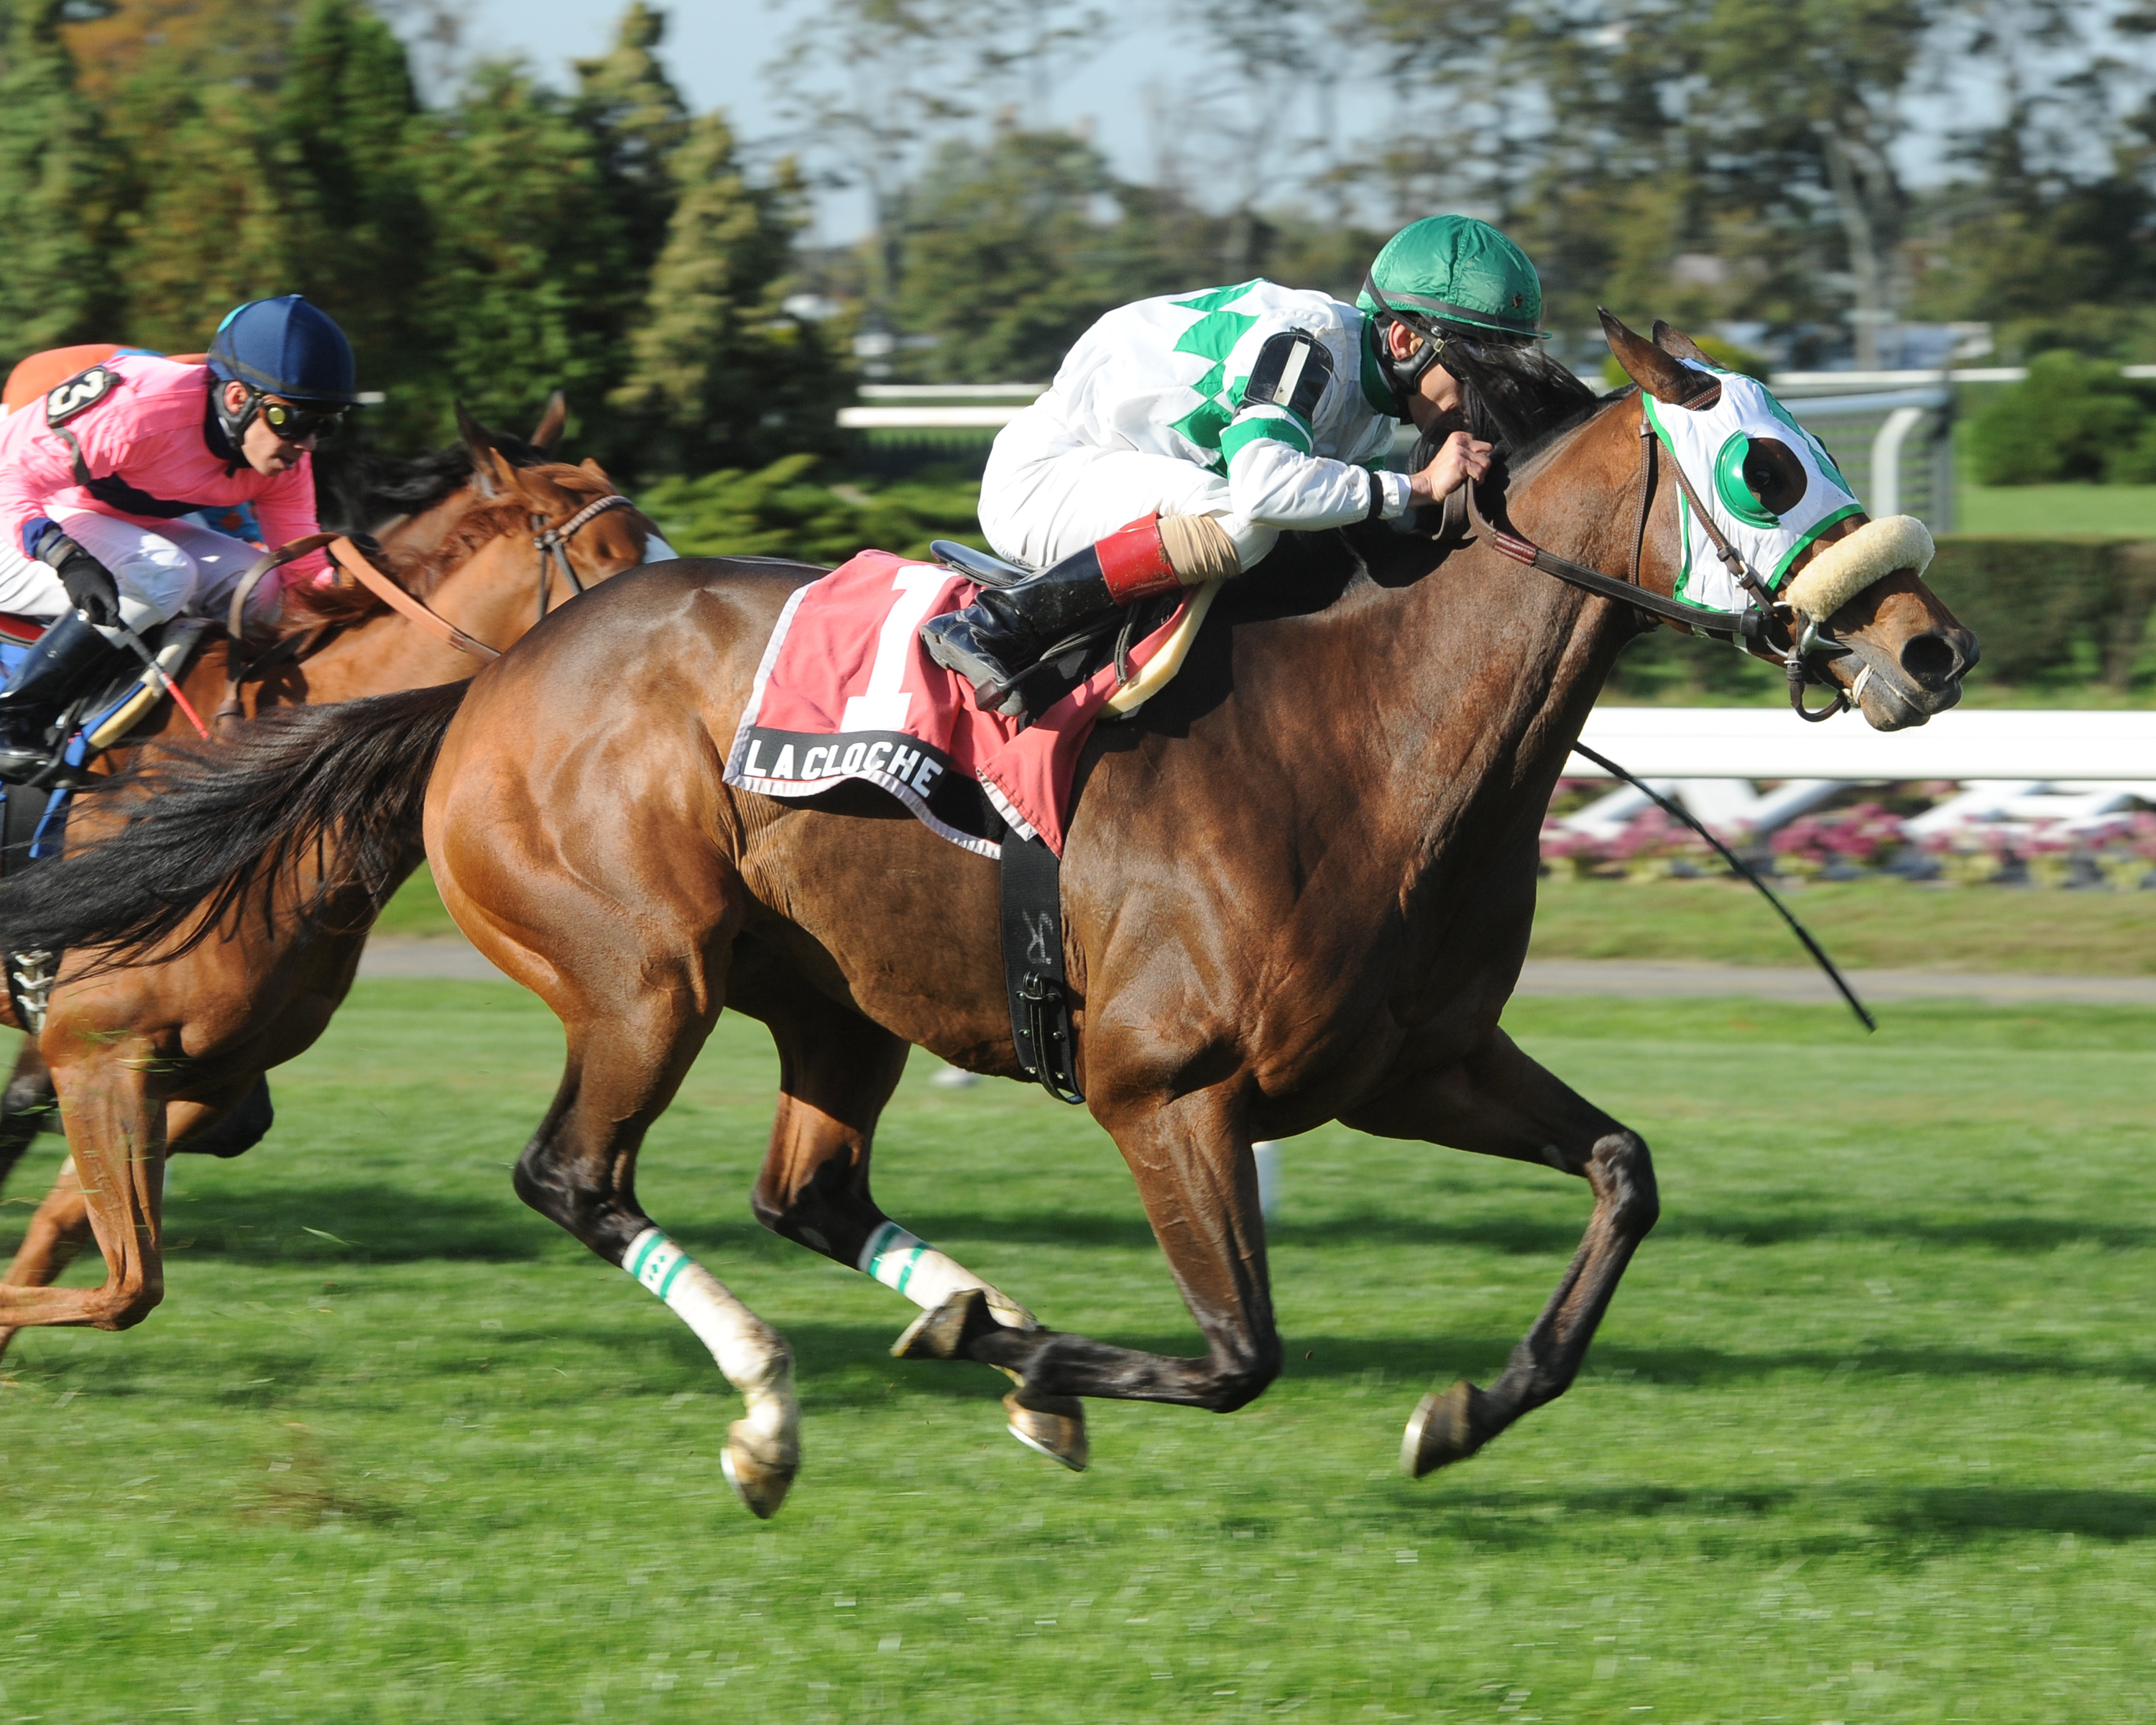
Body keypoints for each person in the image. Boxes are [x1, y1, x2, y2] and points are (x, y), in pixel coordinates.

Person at [922, 215, 1569, 717]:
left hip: (1125, 481)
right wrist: (1419, 485)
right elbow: (1264, 489)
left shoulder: (1372, 412)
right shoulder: (1308, 344)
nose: (1487, 395)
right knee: (1244, 524)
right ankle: (997, 624)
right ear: (1404, 340)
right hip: (1048, 481)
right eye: (1476, 366)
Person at [0, 295, 357, 780]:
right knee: (164, 573)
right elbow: (10, 476)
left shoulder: (284, 462)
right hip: (15, 511)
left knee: (259, 587)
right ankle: (14, 715)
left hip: (93, 518)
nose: (307, 443)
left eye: (325, 425)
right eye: (294, 421)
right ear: (238, 399)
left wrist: (356, 587)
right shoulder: (141, 406)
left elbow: (302, 573)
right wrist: (63, 555)